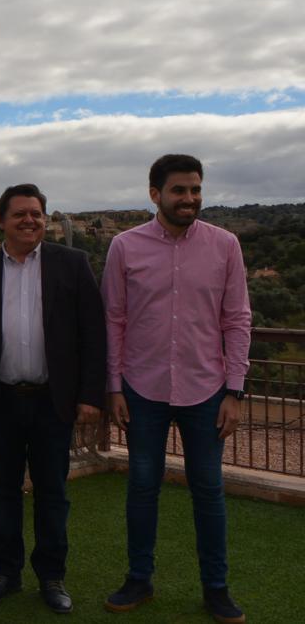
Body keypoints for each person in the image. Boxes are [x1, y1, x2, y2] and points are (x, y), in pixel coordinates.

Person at [101, 155, 251, 624]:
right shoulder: (124, 247)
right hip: (142, 388)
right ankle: (139, 579)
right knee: (142, 488)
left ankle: (216, 589)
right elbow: (114, 319)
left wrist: (235, 391)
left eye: (195, 190)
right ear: (155, 194)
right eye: (179, 190)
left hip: (206, 389)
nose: (189, 199)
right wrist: (114, 386)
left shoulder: (225, 245)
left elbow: (237, 319)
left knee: (208, 490)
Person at [0, 183, 106, 614]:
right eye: (20, 214)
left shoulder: (71, 264)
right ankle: (5, 573)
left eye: (36, 213)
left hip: (52, 402)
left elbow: (94, 334)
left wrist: (91, 395)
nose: (29, 220)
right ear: (0, 220)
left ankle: (52, 577)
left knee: (53, 493)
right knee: (2, 493)